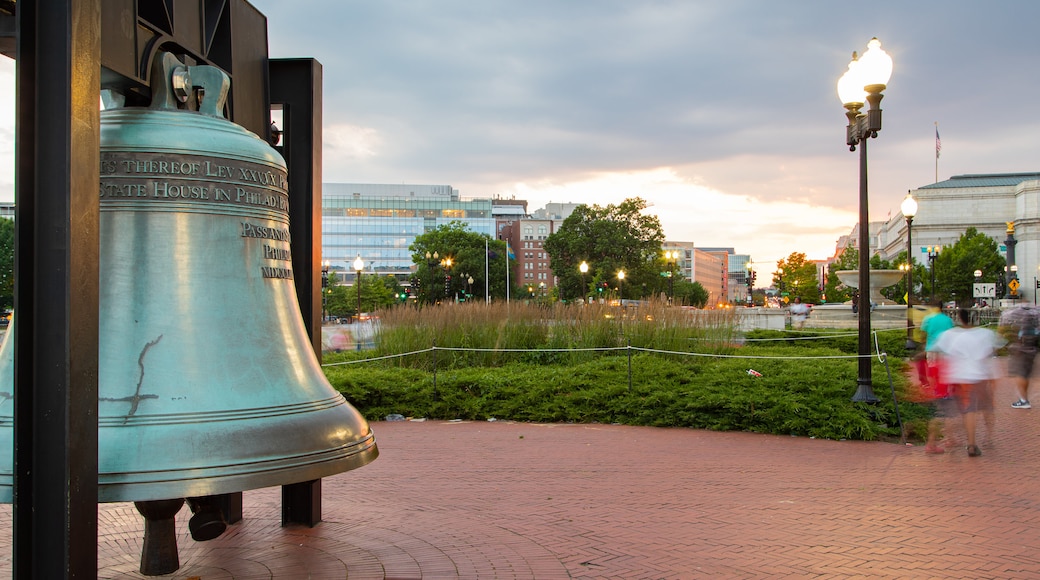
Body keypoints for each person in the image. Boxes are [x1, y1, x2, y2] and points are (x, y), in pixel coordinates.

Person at [933, 308, 1004, 457]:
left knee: (964, 411)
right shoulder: (986, 334)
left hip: (958, 377)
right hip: (979, 376)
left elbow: (939, 351)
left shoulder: (950, 335)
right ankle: (980, 440)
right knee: (986, 408)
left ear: (959, 318)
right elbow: (994, 350)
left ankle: (961, 439)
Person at [918, 301, 955, 453]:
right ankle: (943, 391)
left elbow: (923, 334)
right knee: (943, 371)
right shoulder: (947, 320)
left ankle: (935, 391)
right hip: (945, 350)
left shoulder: (928, 319)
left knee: (932, 370)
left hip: (931, 348)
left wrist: (923, 344)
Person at [998, 304, 1039, 409]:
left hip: (1021, 351)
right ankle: (1024, 398)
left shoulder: (1021, 325)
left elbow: (1013, 336)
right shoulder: (1034, 321)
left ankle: (1023, 400)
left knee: (1020, 374)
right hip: (1031, 349)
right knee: (1025, 375)